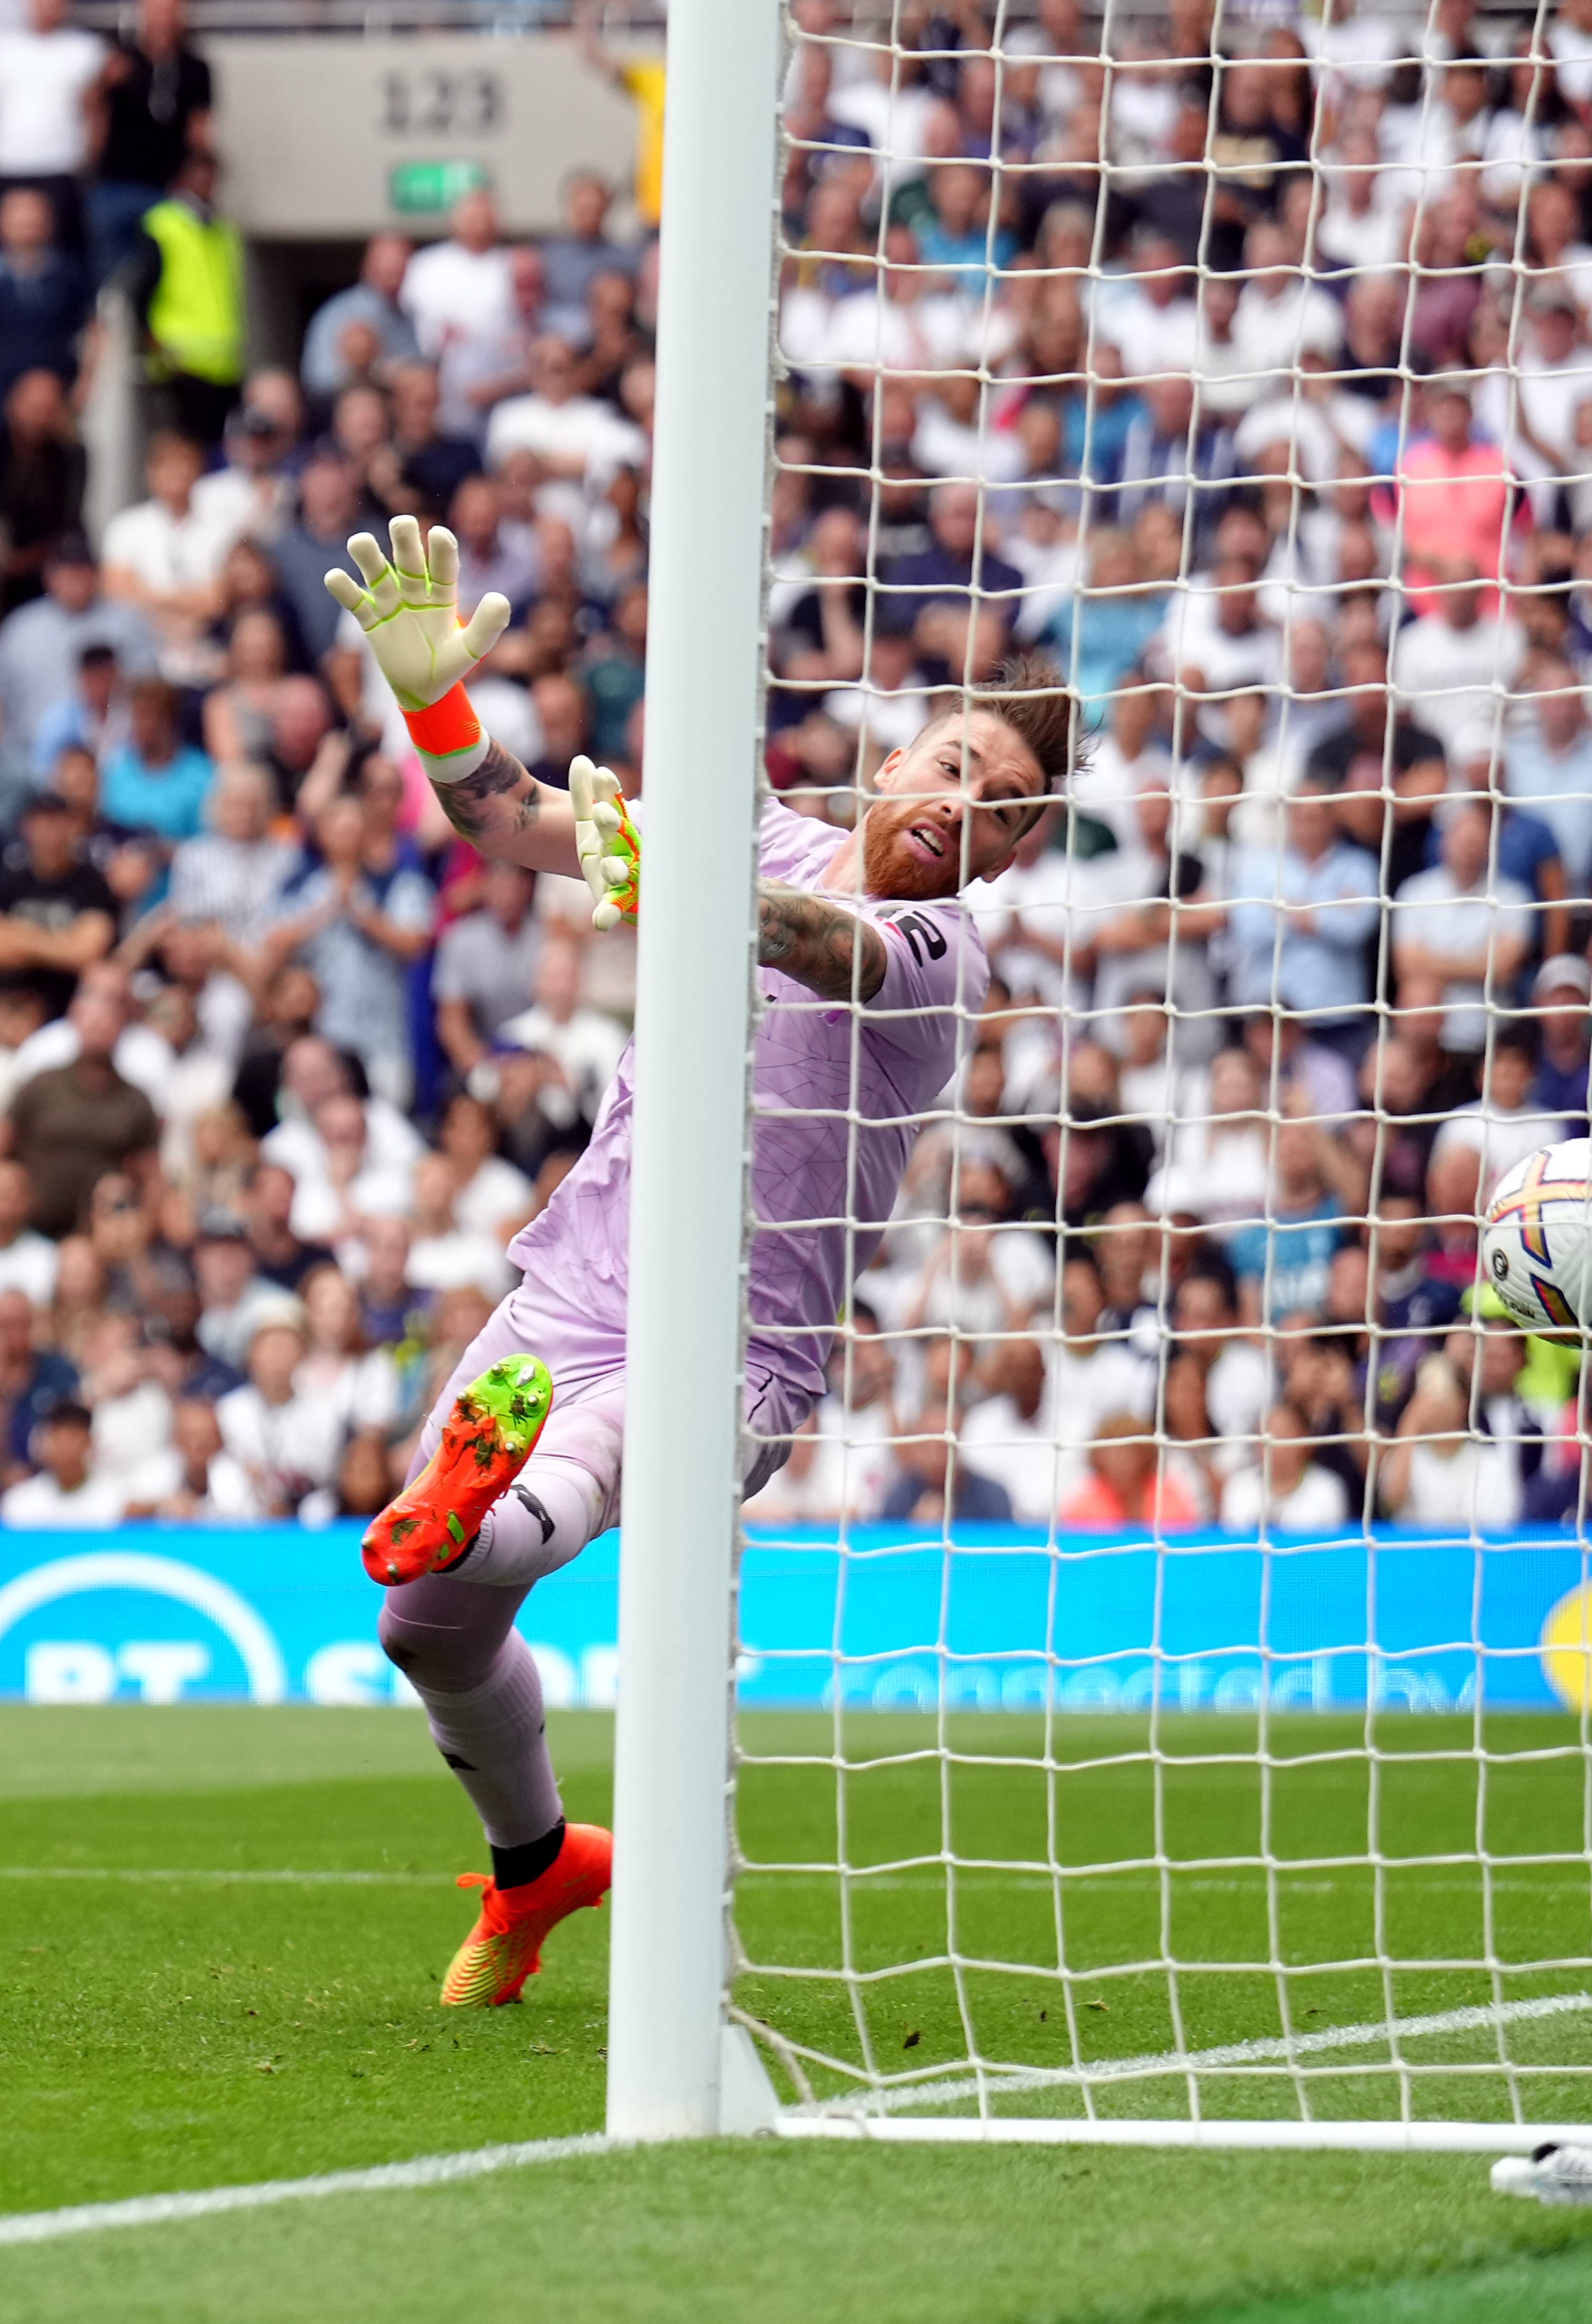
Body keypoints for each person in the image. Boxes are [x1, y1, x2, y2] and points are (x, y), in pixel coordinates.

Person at [327, 509, 1071, 2008]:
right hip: (577, 1292)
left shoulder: (942, 957)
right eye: (956, 769)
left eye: (1006, 809)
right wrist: (433, 701)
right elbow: (505, 818)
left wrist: (676, 885)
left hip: (734, 1353)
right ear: (895, 759)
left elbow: (820, 946)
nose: (967, 808)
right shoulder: (755, 836)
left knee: (511, 1522)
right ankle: (539, 1868)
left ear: (1010, 857)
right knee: (425, 1619)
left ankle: (493, 1494)